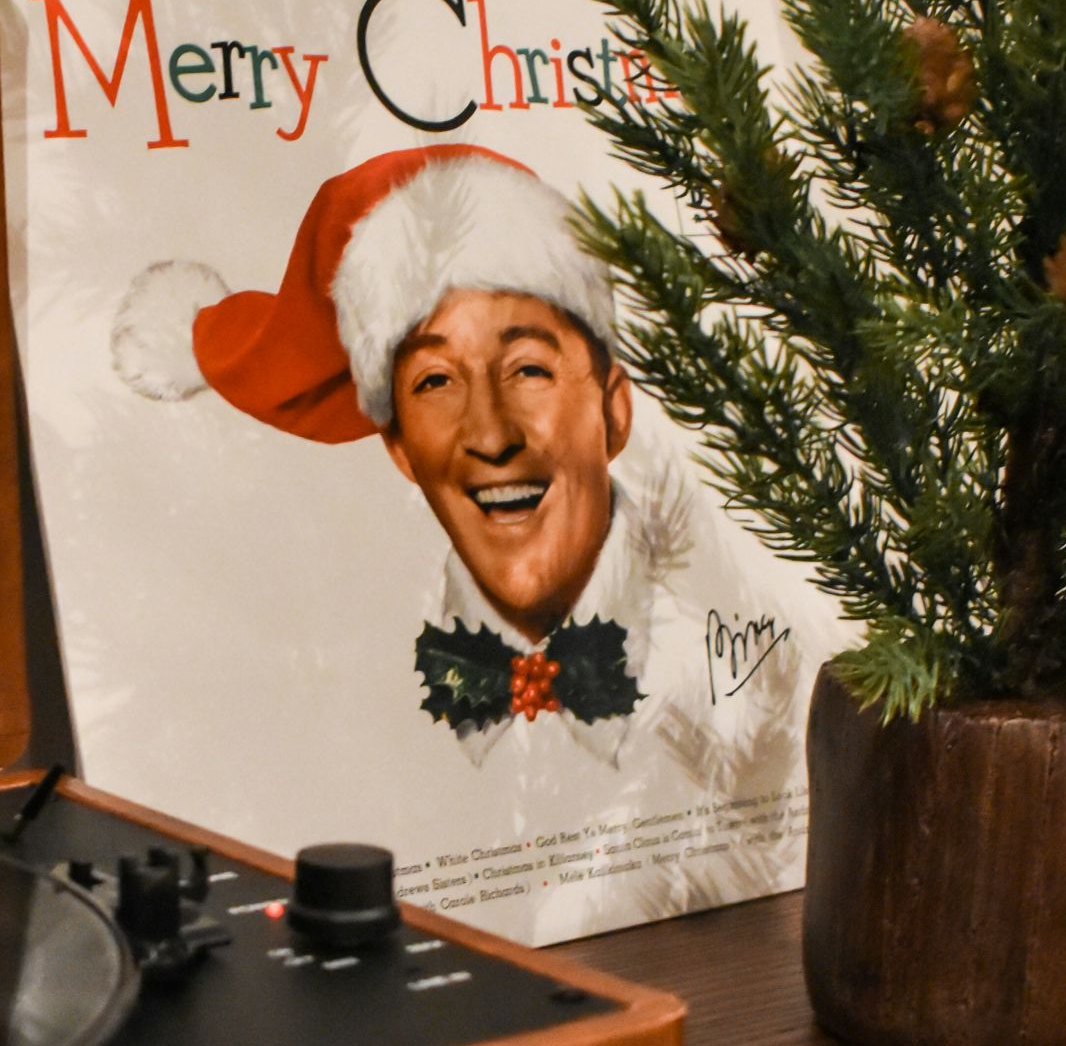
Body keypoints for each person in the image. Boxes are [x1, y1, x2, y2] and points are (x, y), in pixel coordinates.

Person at [108, 144, 794, 768]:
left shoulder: (750, 674)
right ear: (400, 448)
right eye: (435, 382)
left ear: (614, 410)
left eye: (528, 369)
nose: (491, 436)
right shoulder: (348, 695)